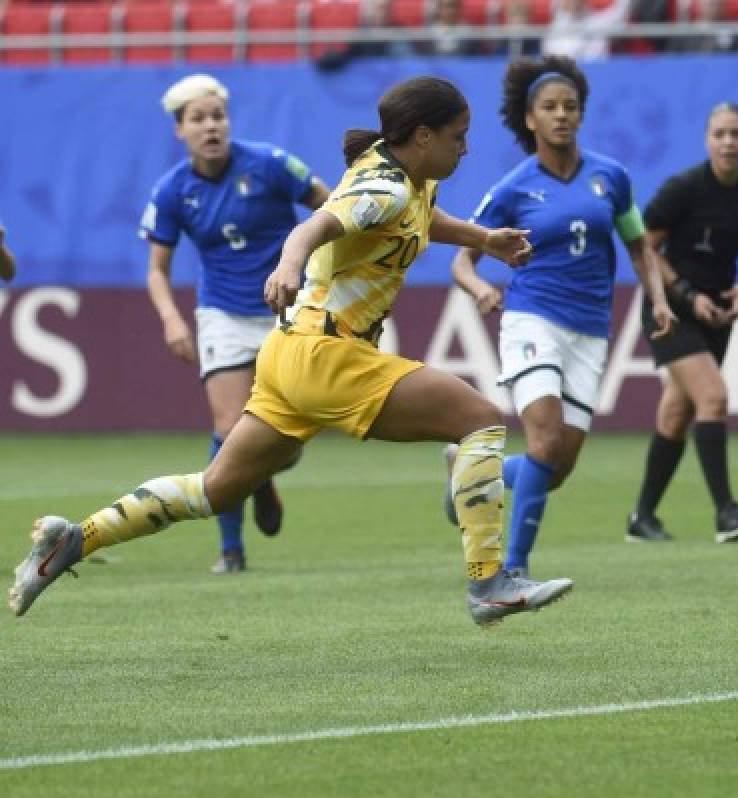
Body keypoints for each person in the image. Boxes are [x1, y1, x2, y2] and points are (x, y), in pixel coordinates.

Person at [9, 76, 574, 628]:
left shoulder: (406, 178)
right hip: (329, 355)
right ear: (423, 136)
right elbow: (315, 227)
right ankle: (489, 583)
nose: (466, 147)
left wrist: (482, 238)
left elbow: (419, 219)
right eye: (459, 135)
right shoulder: (384, 186)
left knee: (212, 490)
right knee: (478, 420)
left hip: (290, 356)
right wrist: (288, 263)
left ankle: (71, 541)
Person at [448, 56, 675, 577]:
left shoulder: (611, 179)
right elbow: (463, 258)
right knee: (544, 440)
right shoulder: (514, 187)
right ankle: (514, 569)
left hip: (590, 329)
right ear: (530, 119)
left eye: (570, 106)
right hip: (532, 319)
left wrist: (658, 299)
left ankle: (471, 481)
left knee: (555, 467)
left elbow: (640, 248)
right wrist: (481, 288)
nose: (561, 115)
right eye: (549, 107)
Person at [140, 74, 331, 574]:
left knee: (286, 442)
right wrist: (170, 320)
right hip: (222, 313)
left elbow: (330, 209)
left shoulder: (270, 164)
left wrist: (332, 271)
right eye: (198, 119)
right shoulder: (172, 190)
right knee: (229, 429)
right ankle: (231, 551)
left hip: (287, 306)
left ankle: (264, 475)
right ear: (179, 130)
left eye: (217, 116)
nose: (211, 126)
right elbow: (157, 271)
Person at [626, 102, 738, 544]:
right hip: (670, 310)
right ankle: (727, 513)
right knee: (714, 396)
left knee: (676, 413)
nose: (728, 142)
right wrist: (687, 296)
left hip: (718, 314)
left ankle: (642, 518)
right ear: (707, 140)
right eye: (720, 134)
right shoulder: (683, 188)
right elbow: (646, 247)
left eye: (736, 134)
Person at [542, 0, 634, 60]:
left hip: (597, 79)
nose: (574, 2)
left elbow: (622, 9)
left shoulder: (600, 23)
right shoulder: (553, 31)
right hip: (566, 81)